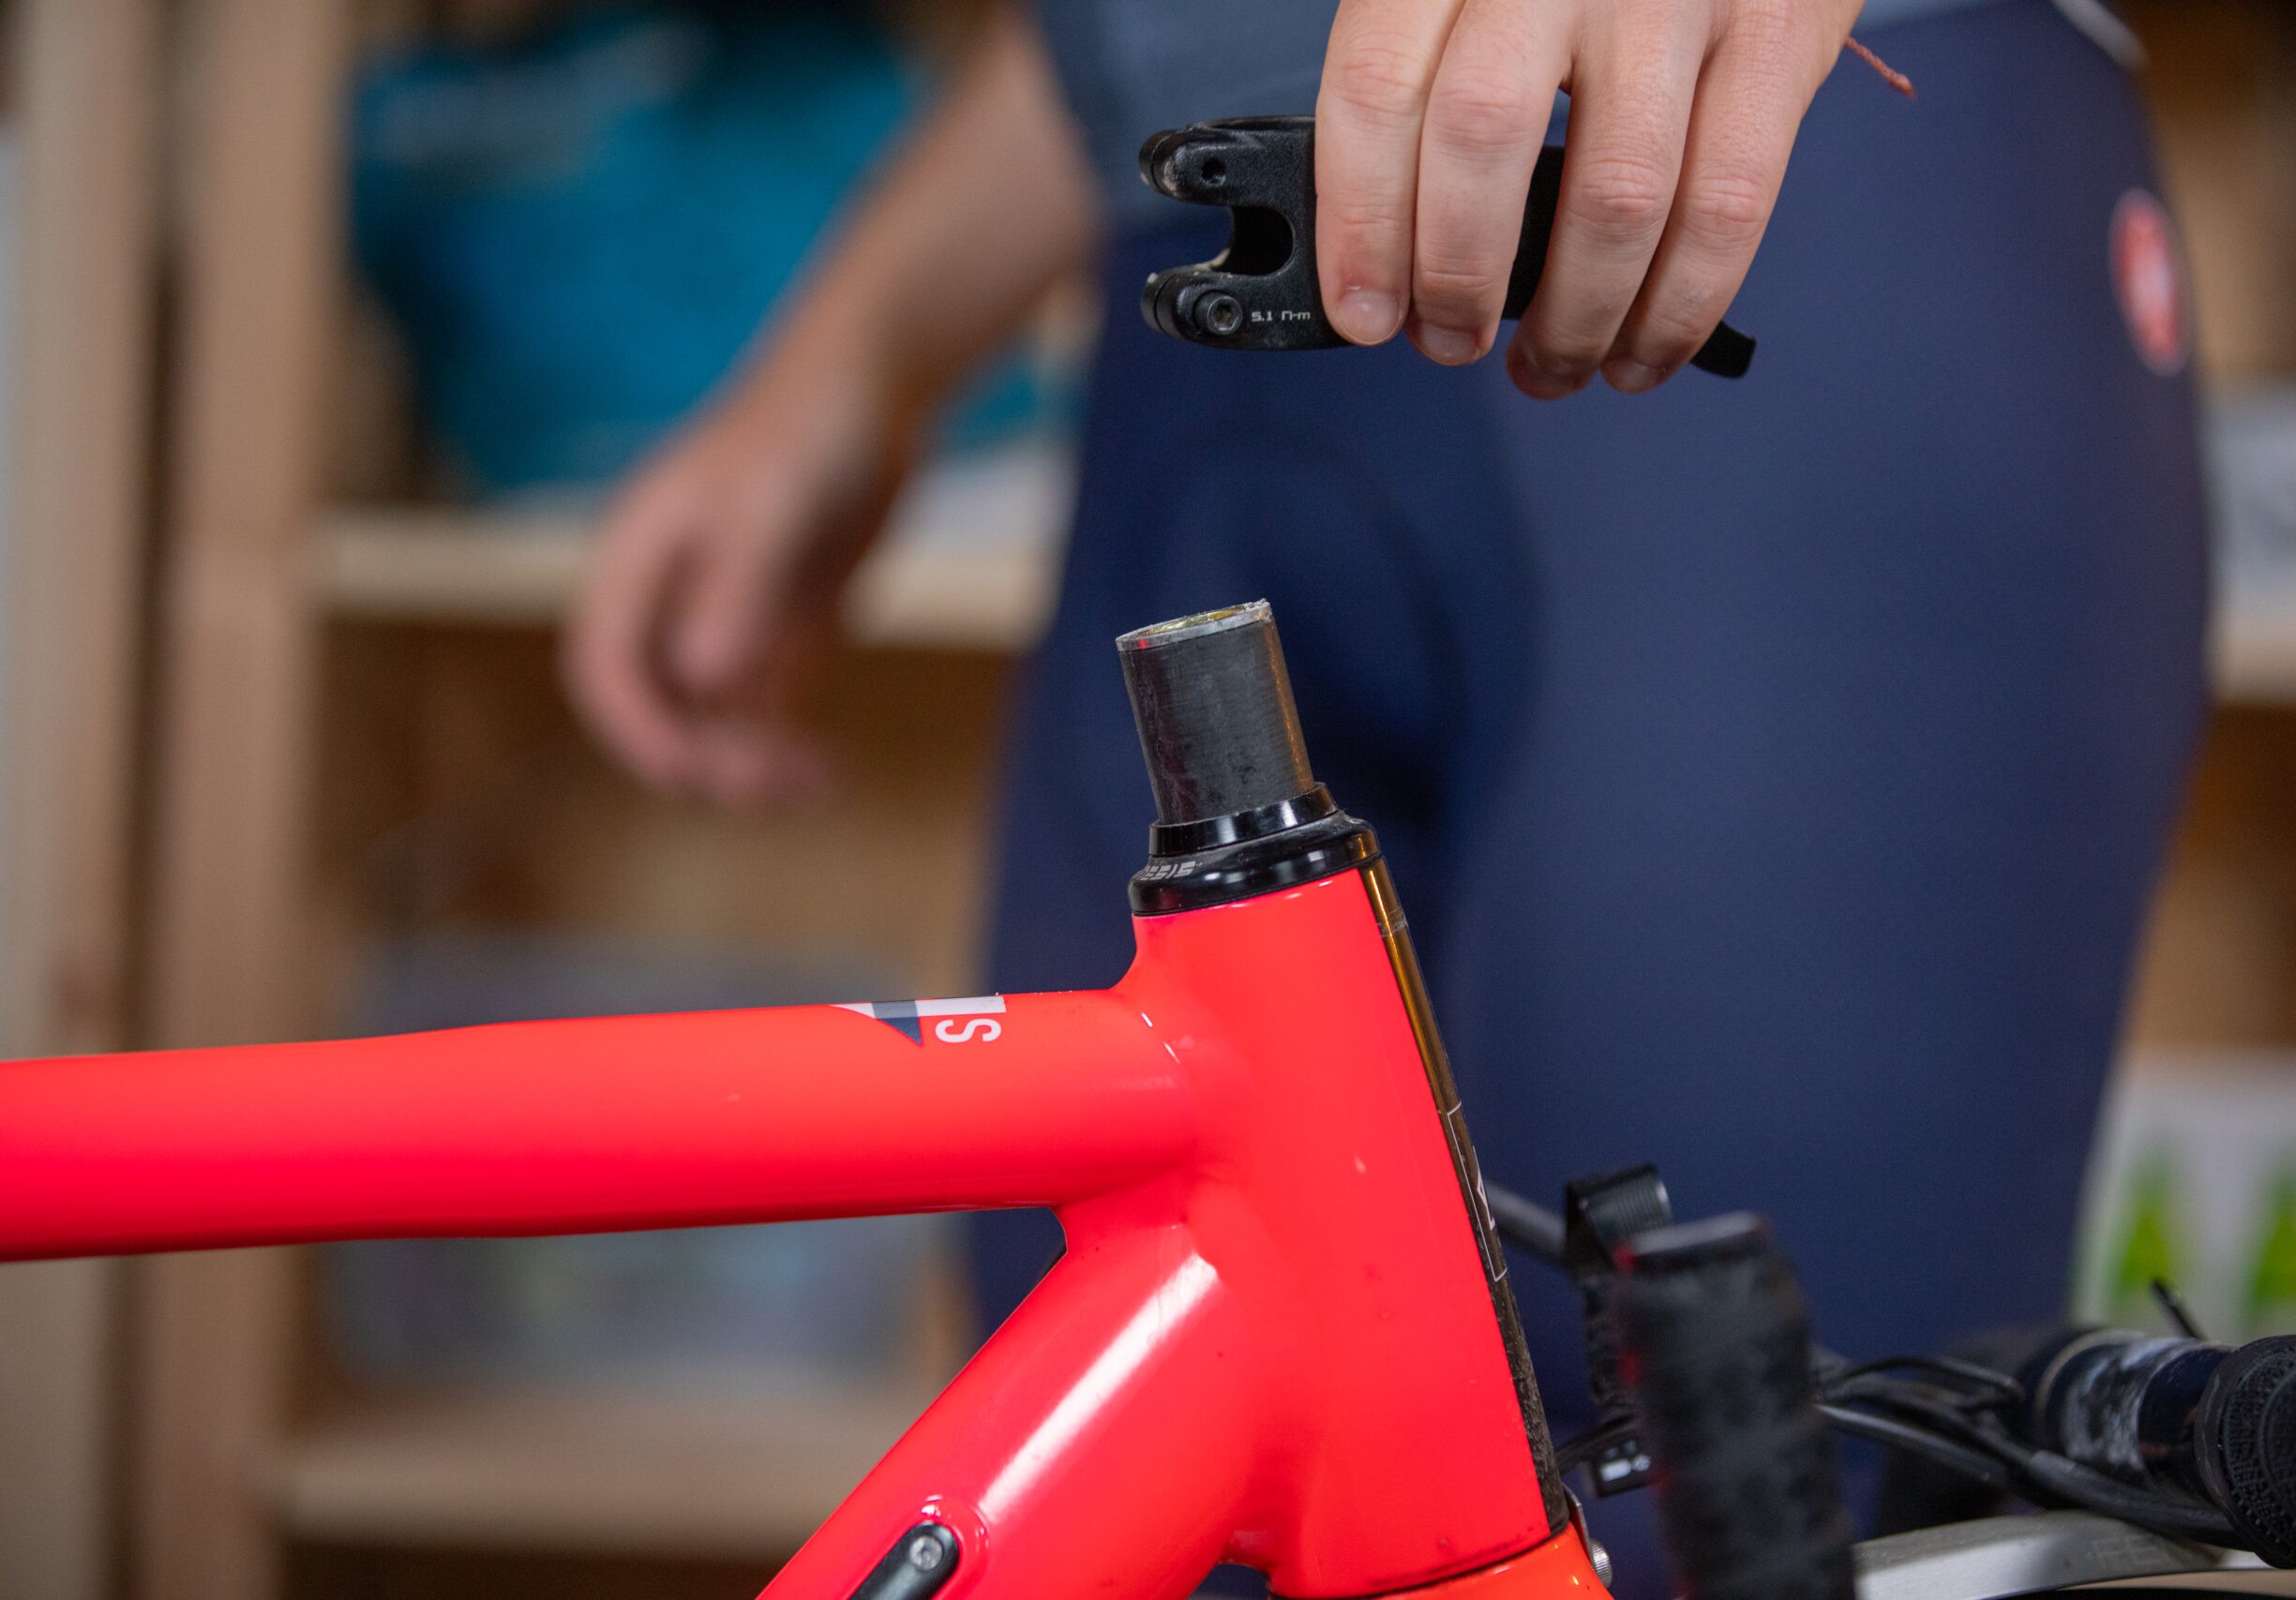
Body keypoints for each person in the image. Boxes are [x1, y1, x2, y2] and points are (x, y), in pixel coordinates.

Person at [563, 1, 2208, 1590]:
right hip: (1193, 296)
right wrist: (861, 345)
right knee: (1100, 1472)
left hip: (1777, 157)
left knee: (1743, 1482)